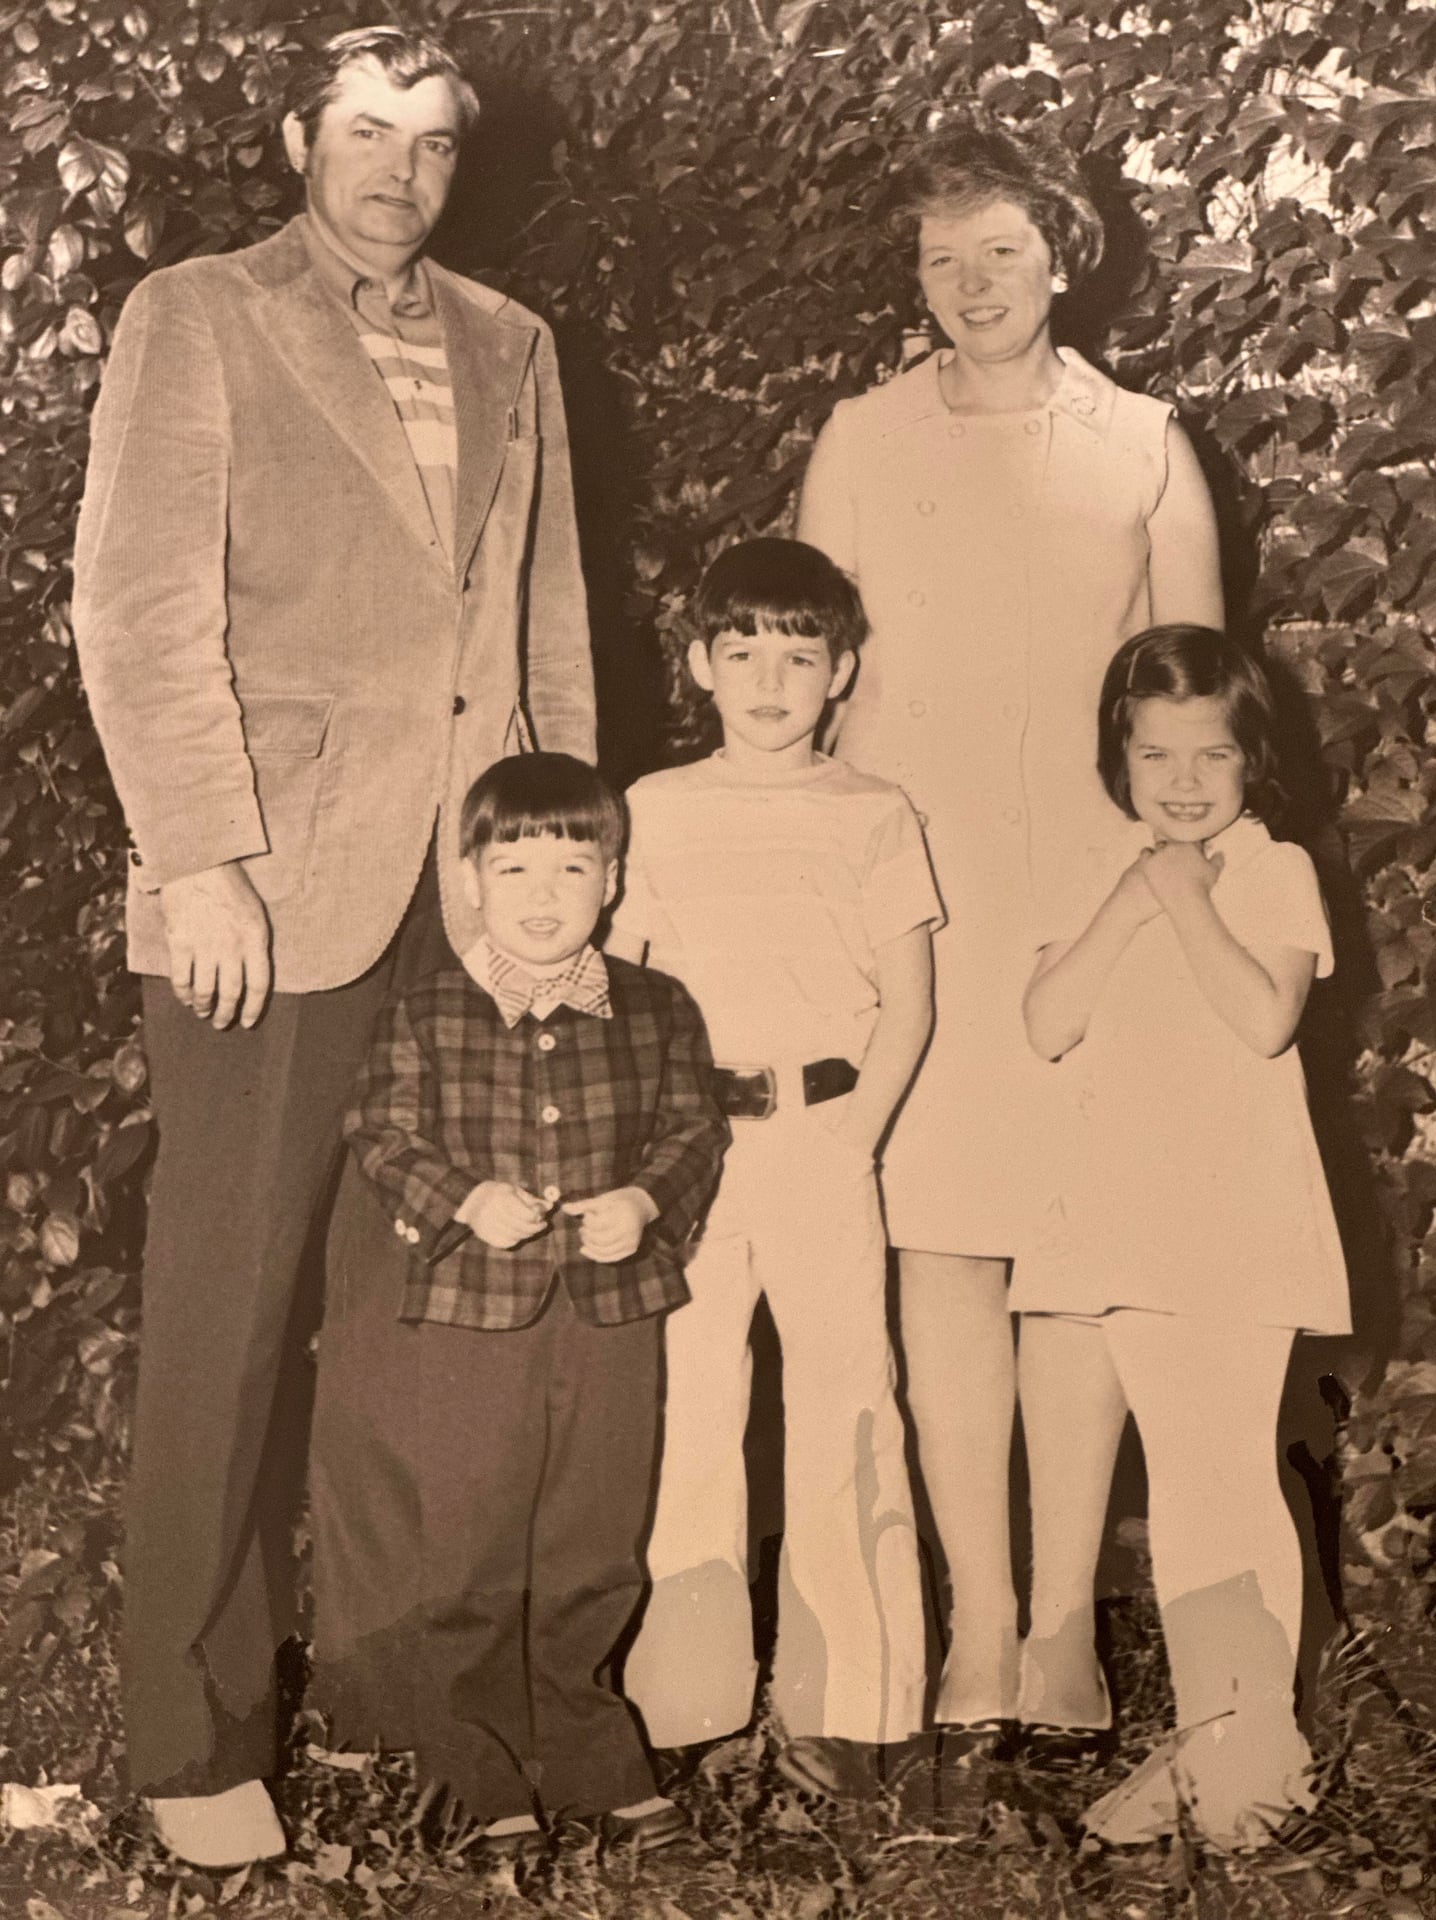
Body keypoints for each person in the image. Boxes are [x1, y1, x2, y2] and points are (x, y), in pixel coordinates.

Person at [70, 26, 594, 1867]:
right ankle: (194, 1740)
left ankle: (407, 1699)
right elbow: (136, 611)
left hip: (461, 907)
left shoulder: (512, 344)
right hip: (265, 897)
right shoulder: (199, 314)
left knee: (426, 1336)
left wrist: (558, 887)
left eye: (433, 144)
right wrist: (198, 857)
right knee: (224, 1319)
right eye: (365, 133)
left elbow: (543, 637)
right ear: (301, 137)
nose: (397, 171)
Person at [796, 114, 1224, 1741]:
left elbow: (1195, 703)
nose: (971, 282)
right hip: (923, 905)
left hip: (1100, 907)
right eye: (941, 256)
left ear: (1062, 254)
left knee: (1080, 1256)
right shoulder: (859, 441)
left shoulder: (1144, 444)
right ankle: (972, 1620)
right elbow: (815, 697)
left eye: (1000, 249)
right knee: (942, 1248)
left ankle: (1061, 1629)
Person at [306, 752, 727, 1853]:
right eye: (516, 867)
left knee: (595, 1539)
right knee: (474, 1540)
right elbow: (380, 1131)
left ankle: (587, 1746)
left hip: (612, 1314)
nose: (544, 896)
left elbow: (696, 1130)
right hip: (470, 1316)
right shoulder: (429, 1011)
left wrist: (643, 1199)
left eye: (572, 867)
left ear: (614, 880)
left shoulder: (656, 1006)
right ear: (472, 882)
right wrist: (465, 1197)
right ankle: (474, 1756)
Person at [611, 539, 940, 1799]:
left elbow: (907, 1004)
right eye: (741, 653)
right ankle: (684, 1702)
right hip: (690, 1150)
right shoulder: (655, 807)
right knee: (691, 1408)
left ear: (840, 672)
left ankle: (853, 1705)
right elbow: (625, 994)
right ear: (700, 665)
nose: (769, 680)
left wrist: (852, 1142)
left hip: (822, 1138)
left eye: (799, 657)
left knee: (849, 1404)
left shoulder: (874, 811)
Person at [1013, 625, 1350, 1846]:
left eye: (1211, 753)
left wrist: (1184, 900)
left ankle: (1255, 1761)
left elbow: (1265, 1019)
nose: (1185, 781)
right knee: (1186, 1486)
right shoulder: (1110, 867)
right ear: (1122, 756)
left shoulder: (1274, 869)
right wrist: (1133, 895)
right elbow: (1046, 1020)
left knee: (1223, 1483)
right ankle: (1222, 1738)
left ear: (1251, 759)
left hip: (1235, 1218)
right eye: (1157, 754)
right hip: (1128, 1221)